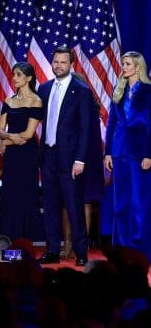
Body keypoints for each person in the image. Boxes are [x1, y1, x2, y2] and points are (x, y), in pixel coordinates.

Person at [38, 47, 93, 267]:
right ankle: (52, 249)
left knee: (73, 206)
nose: (58, 65)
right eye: (55, 62)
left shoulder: (81, 91)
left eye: (63, 62)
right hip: (48, 156)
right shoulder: (44, 88)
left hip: (70, 159)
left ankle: (81, 251)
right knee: (50, 205)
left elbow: (85, 128)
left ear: (71, 64)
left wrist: (80, 159)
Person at [103, 51, 151, 259]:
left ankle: (139, 250)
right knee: (120, 202)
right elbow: (112, 123)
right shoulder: (119, 90)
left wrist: (149, 154)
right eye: (123, 63)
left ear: (138, 67)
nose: (123, 67)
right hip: (120, 151)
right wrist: (107, 152)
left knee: (139, 203)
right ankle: (121, 249)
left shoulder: (148, 91)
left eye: (127, 64)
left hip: (140, 152)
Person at [0, 62, 43, 242]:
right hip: (12, 157)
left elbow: (29, 134)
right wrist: (7, 138)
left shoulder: (36, 101)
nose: (14, 78)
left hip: (27, 155)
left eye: (18, 75)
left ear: (29, 78)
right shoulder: (9, 101)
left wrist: (6, 141)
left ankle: (24, 239)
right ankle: (8, 237)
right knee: (10, 194)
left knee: (25, 195)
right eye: (14, 74)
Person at [62, 71, 105, 259]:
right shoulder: (87, 106)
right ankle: (70, 243)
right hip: (75, 158)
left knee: (82, 200)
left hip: (85, 159)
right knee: (68, 201)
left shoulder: (89, 108)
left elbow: (90, 137)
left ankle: (79, 245)